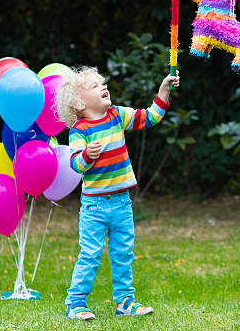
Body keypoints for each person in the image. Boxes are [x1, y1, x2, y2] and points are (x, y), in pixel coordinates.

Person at [55, 66, 180, 320]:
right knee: (89, 255)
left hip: (122, 204)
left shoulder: (117, 115)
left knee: (123, 255)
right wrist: (87, 156)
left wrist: (163, 91)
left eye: (103, 83)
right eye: (95, 86)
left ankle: (125, 302)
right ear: (79, 103)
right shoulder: (79, 130)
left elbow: (150, 117)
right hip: (94, 207)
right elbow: (75, 164)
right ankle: (75, 302)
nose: (103, 87)